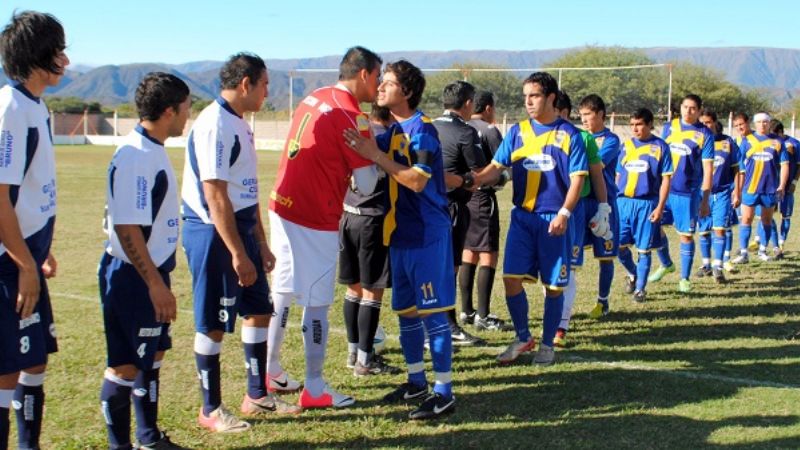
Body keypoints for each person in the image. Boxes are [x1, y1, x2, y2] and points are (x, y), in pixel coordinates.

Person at [182, 53, 299, 433]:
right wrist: (236, 252)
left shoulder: (240, 124)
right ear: (246, 84)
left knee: (259, 309)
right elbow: (215, 196)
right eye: (265, 84)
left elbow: (245, 193)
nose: (268, 91)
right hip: (214, 234)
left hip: (242, 231)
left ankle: (256, 395)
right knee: (213, 323)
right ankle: (210, 409)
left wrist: (260, 245)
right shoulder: (216, 124)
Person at [268, 46, 381, 408]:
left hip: (282, 203)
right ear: (363, 74)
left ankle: (269, 370)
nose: (378, 87)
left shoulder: (314, 96)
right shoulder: (352, 115)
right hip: (314, 215)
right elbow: (366, 184)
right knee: (316, 301)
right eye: (378, 77)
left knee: (283, 290)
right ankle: (315, 387)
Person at [344, 59, 457, 420]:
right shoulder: (393, 130)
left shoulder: (422, 130)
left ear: (406, 92)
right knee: (406, 313)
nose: (380, 88)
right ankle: (416, 381)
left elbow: (418, 180)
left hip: (428, 235)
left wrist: (375, 156)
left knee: (433, 315)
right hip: (402, 235)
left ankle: (444, 391)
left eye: (388, 83)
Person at [98, 72, 191, 450]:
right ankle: (121, 445)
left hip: (149, 273)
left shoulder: (151, 148)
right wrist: (154, 284)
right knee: (125, 365)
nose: (189, 115)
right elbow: (127, 228)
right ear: (169, 111)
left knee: (154, 353)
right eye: (186, 108)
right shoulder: (137, 156)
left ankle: (149, 438)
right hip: (134, 277)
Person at [472, 72, 588, 366]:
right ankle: (524, 337)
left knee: (553, 286)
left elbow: (576, 181)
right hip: (523, 218)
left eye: (534, 96)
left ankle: (547, 345)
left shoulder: (570, 135)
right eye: (525, 96)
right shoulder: (517, 132)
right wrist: (468, 180)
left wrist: (564, 213)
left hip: (554, 220)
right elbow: (496, 167)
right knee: (511, 279)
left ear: (550, 98)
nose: (528, 102)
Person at [0, 11, 67, 449]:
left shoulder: (34, 105)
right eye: (59, 50)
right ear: (40, 55)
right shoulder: (10, 108)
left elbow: (29, 190)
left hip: (25, 255)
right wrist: (24, 263)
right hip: (9, 264)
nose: (65, 59)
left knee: (34, 359)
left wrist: (40, 248)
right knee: (6, 370)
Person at [339, 104, 400, 376]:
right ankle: (366, 360)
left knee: (353, 289)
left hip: (348, 215)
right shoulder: (384, 138)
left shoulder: (355, 132)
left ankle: (354, 353)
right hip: (372, 220)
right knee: (372, 291)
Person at [553, 91, 611, 348]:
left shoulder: (583, 138)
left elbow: (597, 175)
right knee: (548, 270)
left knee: (568, 268)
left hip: (573, 212)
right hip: (541, 211)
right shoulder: (533, 136)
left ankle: (560, 325)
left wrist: (603, 207)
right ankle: (552, 318)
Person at [432, 80, 488, 346]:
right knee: (450, 268)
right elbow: (480, 174)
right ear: (467, 104)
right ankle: (448, 324)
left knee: (432, 266)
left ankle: (437, 322)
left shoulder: (428, 126)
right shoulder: (466, 132)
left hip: (424, 206)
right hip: (452, 207)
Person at [649, 94, 714, 293]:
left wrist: (704, 199)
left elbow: (708, 168)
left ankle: (684, 278)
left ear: (699, 111)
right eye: (685, 107)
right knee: (653, 227)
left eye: (693, 108)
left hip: (687, 193)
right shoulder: (669, 127)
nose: (688, 111)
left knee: (686, 236)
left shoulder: (705, 134)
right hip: (664, 189)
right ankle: (666, 263)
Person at [461, 91, 511, 331]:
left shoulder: (464, 126)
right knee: (488, 253)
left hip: (464, 196)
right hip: (483, 198)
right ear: (489, 108)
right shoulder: (489, 130)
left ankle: (465, 310)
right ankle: (483, 315)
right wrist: (504, 178)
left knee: (468, 251)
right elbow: (502, 164)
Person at [616, 109, 673, 303]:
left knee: (643, 249)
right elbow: (618, 175)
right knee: (618, 246)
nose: (635, 128)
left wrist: (660, 207)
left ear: (649, 124)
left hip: (647, 204)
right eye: (632, 125)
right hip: (623, 203)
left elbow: (666, 180)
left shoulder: (661, 147)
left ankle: (640, 289)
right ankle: (634, 274)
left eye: (639, 124)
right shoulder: (626, 146)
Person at [578, 94, 621, 318]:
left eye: (588, 115)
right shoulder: (579, 136)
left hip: (604, 202)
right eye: (581, 115)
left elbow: (595, 165)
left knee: (606, 255)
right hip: (582, 201)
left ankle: (602, 302)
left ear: (600, 115)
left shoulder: (611, 140)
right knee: (573, 254)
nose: (583, 120)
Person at [731, 112, 790, 264]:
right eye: (759, 122)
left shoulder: (778, 142)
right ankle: (743, 253)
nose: (762, 124)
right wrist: (737, 188)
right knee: (746, 219)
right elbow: (739, 167)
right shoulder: (746, 141)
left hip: (770, 189)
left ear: (769, 123)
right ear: (754, 124)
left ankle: (763, 250)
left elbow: (784, 165)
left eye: (765, 122)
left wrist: (782, 185)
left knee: (766, 220)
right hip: (750, 188)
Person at [694, 111, 740, 283]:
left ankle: (718, 266)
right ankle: (706, 264)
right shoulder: (696, 143)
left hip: (722, 193)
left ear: (714, 123)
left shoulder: (728, 142)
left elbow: (737, 169)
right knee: (704, 231)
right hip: (701, 193)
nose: (706, 126)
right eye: (702, 123)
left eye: (708, 122)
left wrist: (737, 191)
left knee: (719, 229)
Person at [760, 119, 800, 258]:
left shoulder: (794, 144)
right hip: (771, 187)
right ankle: (769, 246)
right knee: (767, 216)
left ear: (781, 132)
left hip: (788, 187)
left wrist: (794, 182)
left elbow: (799, 165)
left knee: (785, 216)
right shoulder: (770, 143)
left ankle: (781, 245)